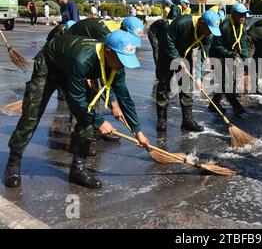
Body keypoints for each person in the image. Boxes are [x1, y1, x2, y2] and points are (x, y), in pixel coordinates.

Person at [3, 31, 150, 189]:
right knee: (32, 114)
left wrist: (138, 132)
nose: (123, 65)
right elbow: (76, 99)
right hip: (49, 65)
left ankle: (78, 168)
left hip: (72, 69)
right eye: (121, 59)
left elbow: (125, 98)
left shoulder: (116, 64)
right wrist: (99, 121)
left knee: (87, 117)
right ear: (108, 52)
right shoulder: (83, 58)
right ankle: (13, 161)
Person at [156, 10, 222, 132]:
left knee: (187, 86)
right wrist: (177, 58)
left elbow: (203, 55)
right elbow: (167, 40)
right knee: (164, 86)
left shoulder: (209, 35)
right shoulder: (182, 22)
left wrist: (198, 77)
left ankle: (187, 120)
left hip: (186, 55)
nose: (209, 33)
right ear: (202, 23)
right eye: (209, 29)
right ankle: (161, 119)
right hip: (167, 54)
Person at [209, 3, 250, 117]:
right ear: (233, 15)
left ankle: (213, 105)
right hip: (217, 55)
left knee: (224, 82)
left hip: (229, 55)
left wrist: (245, 60)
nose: (243, 17)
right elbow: (217, 46)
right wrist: (232, 55)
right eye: (240, 14)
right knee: (225, 82)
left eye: (244, 14)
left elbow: (243, 44)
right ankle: (237, 108)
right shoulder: (224, 26)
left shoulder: (243, 26)